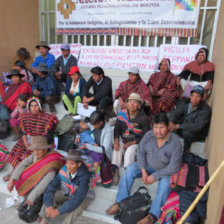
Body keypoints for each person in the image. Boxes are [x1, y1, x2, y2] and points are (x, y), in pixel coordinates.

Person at [106, 113, 183, 224]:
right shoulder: (149, 135)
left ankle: (152, 216)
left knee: (165, 185)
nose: (158, 131)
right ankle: (120, 203)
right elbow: (141, 152)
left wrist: (155, 176)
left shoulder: (175, 142)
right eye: (156, 127)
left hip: (165, 171)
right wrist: (143, 171)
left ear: (168, 127)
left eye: (162, 127)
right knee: (129, 171)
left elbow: (174, 167)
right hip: (148, 165)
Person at [3, 97, 58, 181]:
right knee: (17, 151)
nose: (34, 108)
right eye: (31, 106)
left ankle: (24, 174)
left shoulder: (48, 119)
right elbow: (23, 132)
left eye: (36, 106)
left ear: (39, 107)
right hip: (28, 140)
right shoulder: (25, 116)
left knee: (29, 156)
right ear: (29, 107)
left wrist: (36, 143)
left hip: (41, 143)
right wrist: (25, 142)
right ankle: (14, 171)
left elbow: (48, 137)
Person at [7, 136, 64, 212]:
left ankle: (38, 207)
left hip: (51, 185)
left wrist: (31, 197)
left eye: (38, 149)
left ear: (45, 149)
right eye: (34, 149)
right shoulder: (35, 154)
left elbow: (46, 182)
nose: (36, 152)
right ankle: (30, 202)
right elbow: (22, 164)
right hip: (40, 183)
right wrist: (12, 179)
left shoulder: (51, 161)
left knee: (38, 189)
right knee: (26, 173)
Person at [39, 150, 91, 224]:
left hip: (82, 198)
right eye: (67, 163)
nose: (68, 167)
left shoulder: (85, 175)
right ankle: (44, 221)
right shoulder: (64, 170)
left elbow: (77, 198)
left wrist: (58, 211)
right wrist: (49, 206)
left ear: (79, 164)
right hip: (66, 192)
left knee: (76, 208)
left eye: (72, 164)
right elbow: (51, 186)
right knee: (51, 198)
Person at [112, 93, 150, 185]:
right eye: (130, 102)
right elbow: (116, 130)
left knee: (130, 151)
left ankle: (127, 174)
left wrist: (131, 143)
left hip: (136, 142)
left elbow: (146, 136)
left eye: (135, 102)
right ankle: (115, 171)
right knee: (117, 149)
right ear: (127, 103)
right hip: (124, 140)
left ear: (139, 105)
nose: (132, 104)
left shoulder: (143, 118)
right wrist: (116, 141)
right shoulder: (122, 114)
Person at [169, 85, 212, 153]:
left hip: (196, 133)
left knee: (187, 133)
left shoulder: (205, 110)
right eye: (193, 95)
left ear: (202, 98)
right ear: (190, 96)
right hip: (182, 125)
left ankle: (186, 151)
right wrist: (171, 121)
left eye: (197, 96)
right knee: (167, 120)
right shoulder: (186, 102)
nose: (194, 99)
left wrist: (179, 126)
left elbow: (197, 126)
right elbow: (176, 112)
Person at [76, 111, 113, 182]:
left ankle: (95, 175)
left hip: (101, 151)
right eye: (91, 124)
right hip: (88, 149)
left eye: (94, 125)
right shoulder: (92, 124)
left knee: (105, 175)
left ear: (101, 122)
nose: (92, 126)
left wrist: (88, 146)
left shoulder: (108, 130)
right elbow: (78, 127)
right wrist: (77, 136)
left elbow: (103, 149)